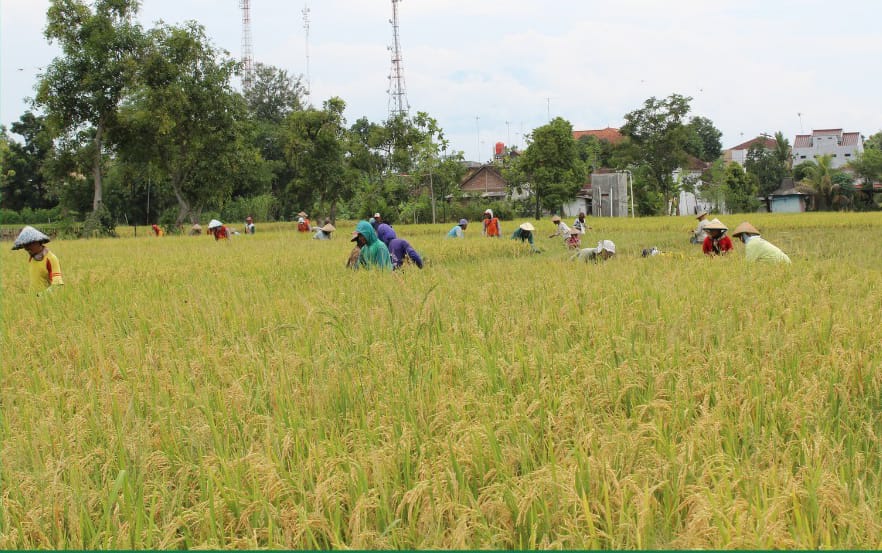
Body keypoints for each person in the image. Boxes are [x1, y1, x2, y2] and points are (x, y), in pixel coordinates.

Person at [12, 226, 64, 293]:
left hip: (46, 300)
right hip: (33, 300)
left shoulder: (51, 259)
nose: (26, 248)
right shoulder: (31, 258)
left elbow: (57, 285)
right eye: (25, 245)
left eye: (30, 243)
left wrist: (41, 295)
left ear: (39, 242)